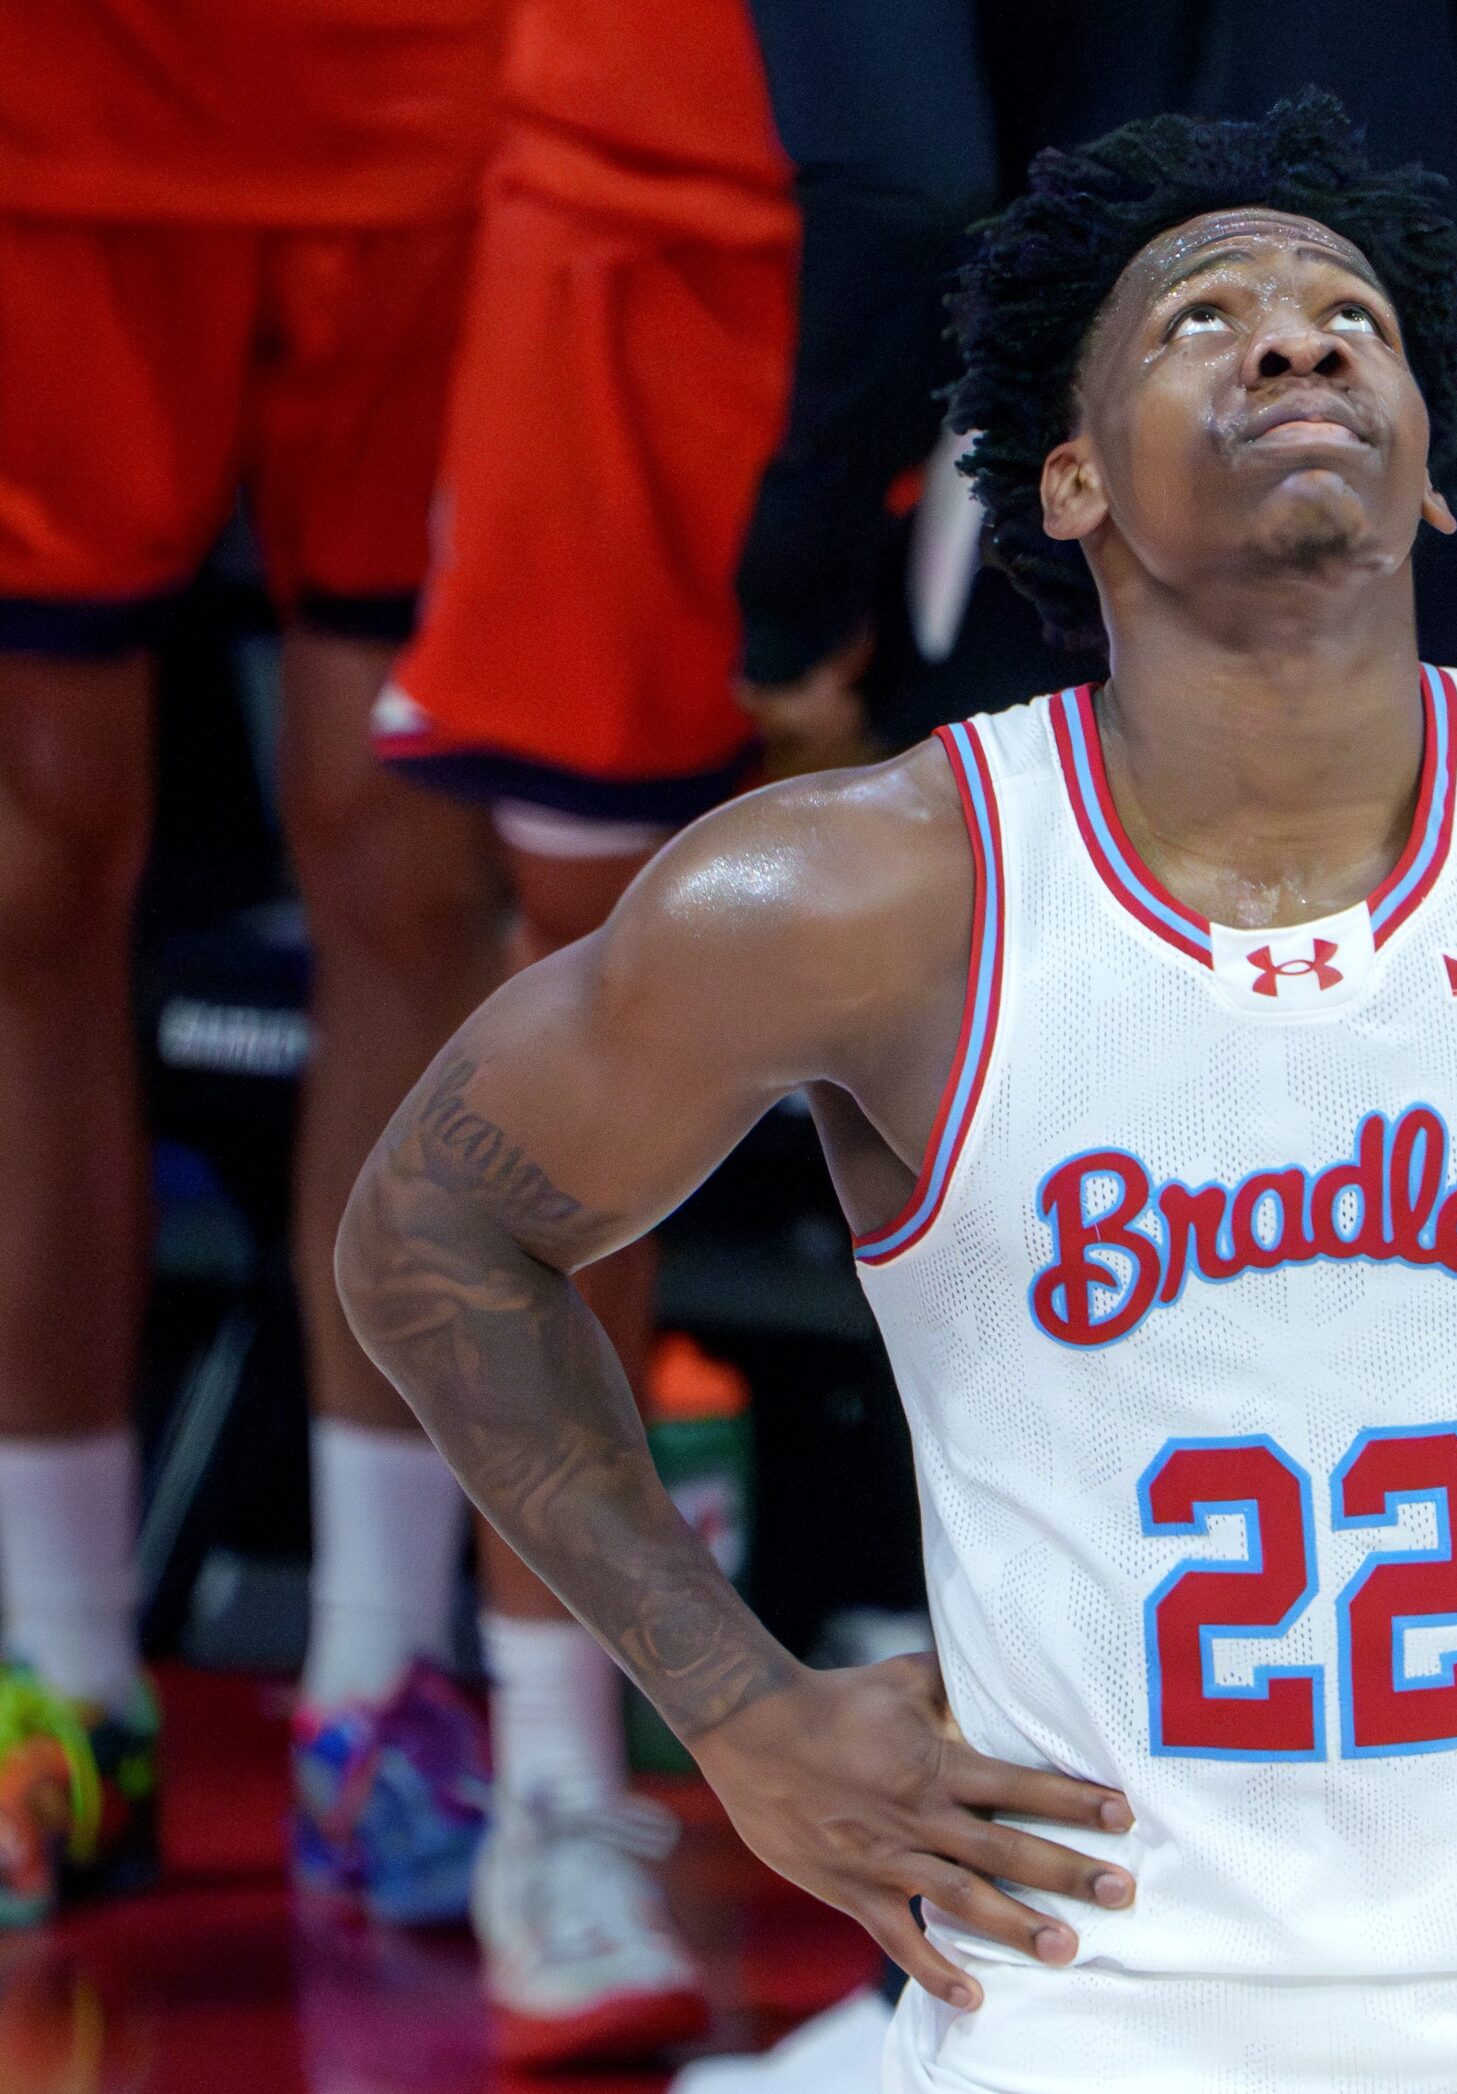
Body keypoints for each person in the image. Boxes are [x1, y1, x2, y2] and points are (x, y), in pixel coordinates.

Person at [333, 91, 1457, 2091]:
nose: (1294, 337)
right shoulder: (877, 892)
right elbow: (430, 1222)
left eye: (1346, 311)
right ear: (1068, 480)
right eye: (1202, 318)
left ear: (1437, 475)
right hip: (1082, 2027)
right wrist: (731, 1704)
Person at [299, 0, 799, 2062]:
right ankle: (552, 1787)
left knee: (1058, 1013)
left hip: (1031, 191)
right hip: (643, 195)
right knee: (591, 1015)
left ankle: (1079, 1757)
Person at [0, 0, 507, 1924]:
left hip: (430, 96)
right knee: (29, 873)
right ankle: (59, 1675)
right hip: (58, 100)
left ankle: (378, 1678)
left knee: (403, 859)